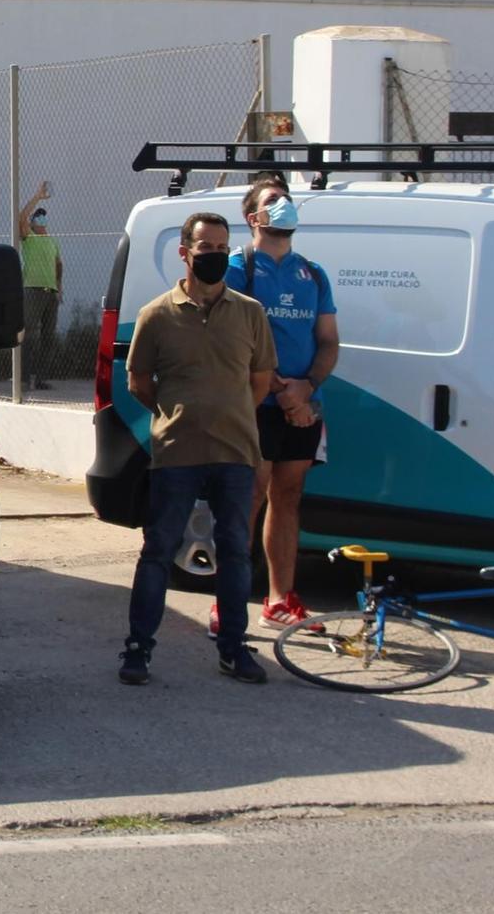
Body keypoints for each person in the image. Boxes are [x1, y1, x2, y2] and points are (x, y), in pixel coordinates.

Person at [118, 210, 276, 688]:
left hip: (234, 454)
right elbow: (139, 382)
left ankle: (233, 648)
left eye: (222, 248)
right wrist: (180, 414)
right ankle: (138, 650)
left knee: (235, 552)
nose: (216, 256)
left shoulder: (249, 312)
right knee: (158, 551)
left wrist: (227, 414)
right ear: (185, 253)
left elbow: (261, 381)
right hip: (176, 454)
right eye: (206, 248)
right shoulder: (156, 315)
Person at [225, 173, 340, 631]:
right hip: (254, 405)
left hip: (302, 405)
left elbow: (328, 341)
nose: (285, 205)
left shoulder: (313, 274)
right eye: (274, 200)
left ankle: (280, 599)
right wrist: (279, 390)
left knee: (287, 496)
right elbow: (233, 341)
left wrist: (305, 388)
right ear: (254, 217)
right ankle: (228, 601)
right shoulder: (239, 268)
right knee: (248, 497)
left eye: (287, 199)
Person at [15, 181, 63, 389]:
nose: (42, 220)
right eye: (38, 217)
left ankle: (41, 378)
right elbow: (20, 218)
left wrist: (59, 287)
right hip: (32, 291)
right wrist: (37, 197)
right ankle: (24, 378)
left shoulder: (52, 241)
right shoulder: (30, 238)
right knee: (29, 335)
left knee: (48, 337)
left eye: (44, 217)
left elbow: (58, 264)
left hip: (51, 292)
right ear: (33, 222)